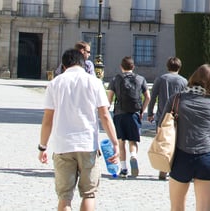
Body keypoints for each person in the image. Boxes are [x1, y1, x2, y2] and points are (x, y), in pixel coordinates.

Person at [39, 48, 119, 211]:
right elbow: (104, 115)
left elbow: (47, 120)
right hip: (87, 144)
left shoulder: (55, 83)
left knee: (65, 197)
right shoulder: (94, 82)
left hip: (63, 146)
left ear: (64, 65)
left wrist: (43, 147)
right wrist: (115, 143)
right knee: (89, 194)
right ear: (83, 64)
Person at [168, 64, 210, 211]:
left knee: (177, 207)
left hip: (180, 156)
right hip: (206, 158)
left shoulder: (176, 99)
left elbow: (162, 126)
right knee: (205, 208)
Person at [107, 56, 150, 178]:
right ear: (133, 67)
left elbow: (109, 98)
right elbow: (148, 97)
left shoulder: (115, 79)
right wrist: (142, 110)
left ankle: (124, 168)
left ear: (121, 67)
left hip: (119, 114)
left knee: (121, 142)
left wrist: (107, 110)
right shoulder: (140, 79)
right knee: (133, 140)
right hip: (134, 113)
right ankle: (133, 156)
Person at [148, 56, 188, 180]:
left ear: (167, 66)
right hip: (179, 116)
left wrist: (150, 113)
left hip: (163, 116)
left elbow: (153, 97)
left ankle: (163, 169)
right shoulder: (183, 81)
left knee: (163, 142)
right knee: (176, 143)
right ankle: (174, 169)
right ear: (179, 68)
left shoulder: (161, 79)